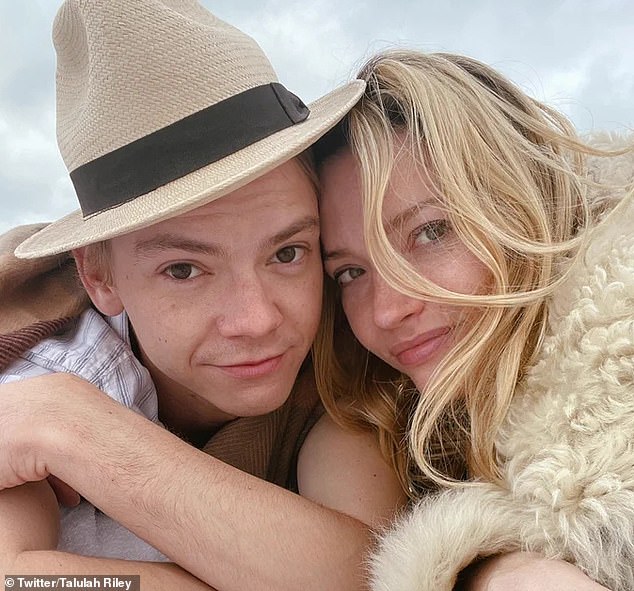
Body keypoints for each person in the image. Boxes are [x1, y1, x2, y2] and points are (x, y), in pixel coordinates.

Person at [0, 1, 407, 589]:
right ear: (98, 277)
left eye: (286, 254)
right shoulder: (44, 373)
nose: (257, 319)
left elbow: (370, 575)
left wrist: (73, 431)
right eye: (185, 270)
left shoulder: (341, 357)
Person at [313, 50, 634, 590]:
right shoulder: (377, 422)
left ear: (521, 200)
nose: (388, 310)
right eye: (350, 272)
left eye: (431, 232)